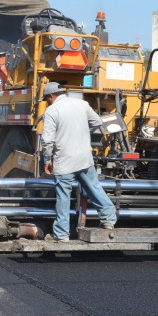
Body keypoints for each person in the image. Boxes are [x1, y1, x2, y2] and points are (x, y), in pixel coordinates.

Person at [40, 82, 117, 242]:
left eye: (47, 99)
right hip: (84, 158)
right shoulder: (82, 104)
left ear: (50, 96)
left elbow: (47, 140)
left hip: (64, 161)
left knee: (63, 197)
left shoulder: (52, 111)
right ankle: (109, 218)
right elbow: (97, 123)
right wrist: (81, 131)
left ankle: (61, 235)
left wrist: (47, 160)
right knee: (94, 188)